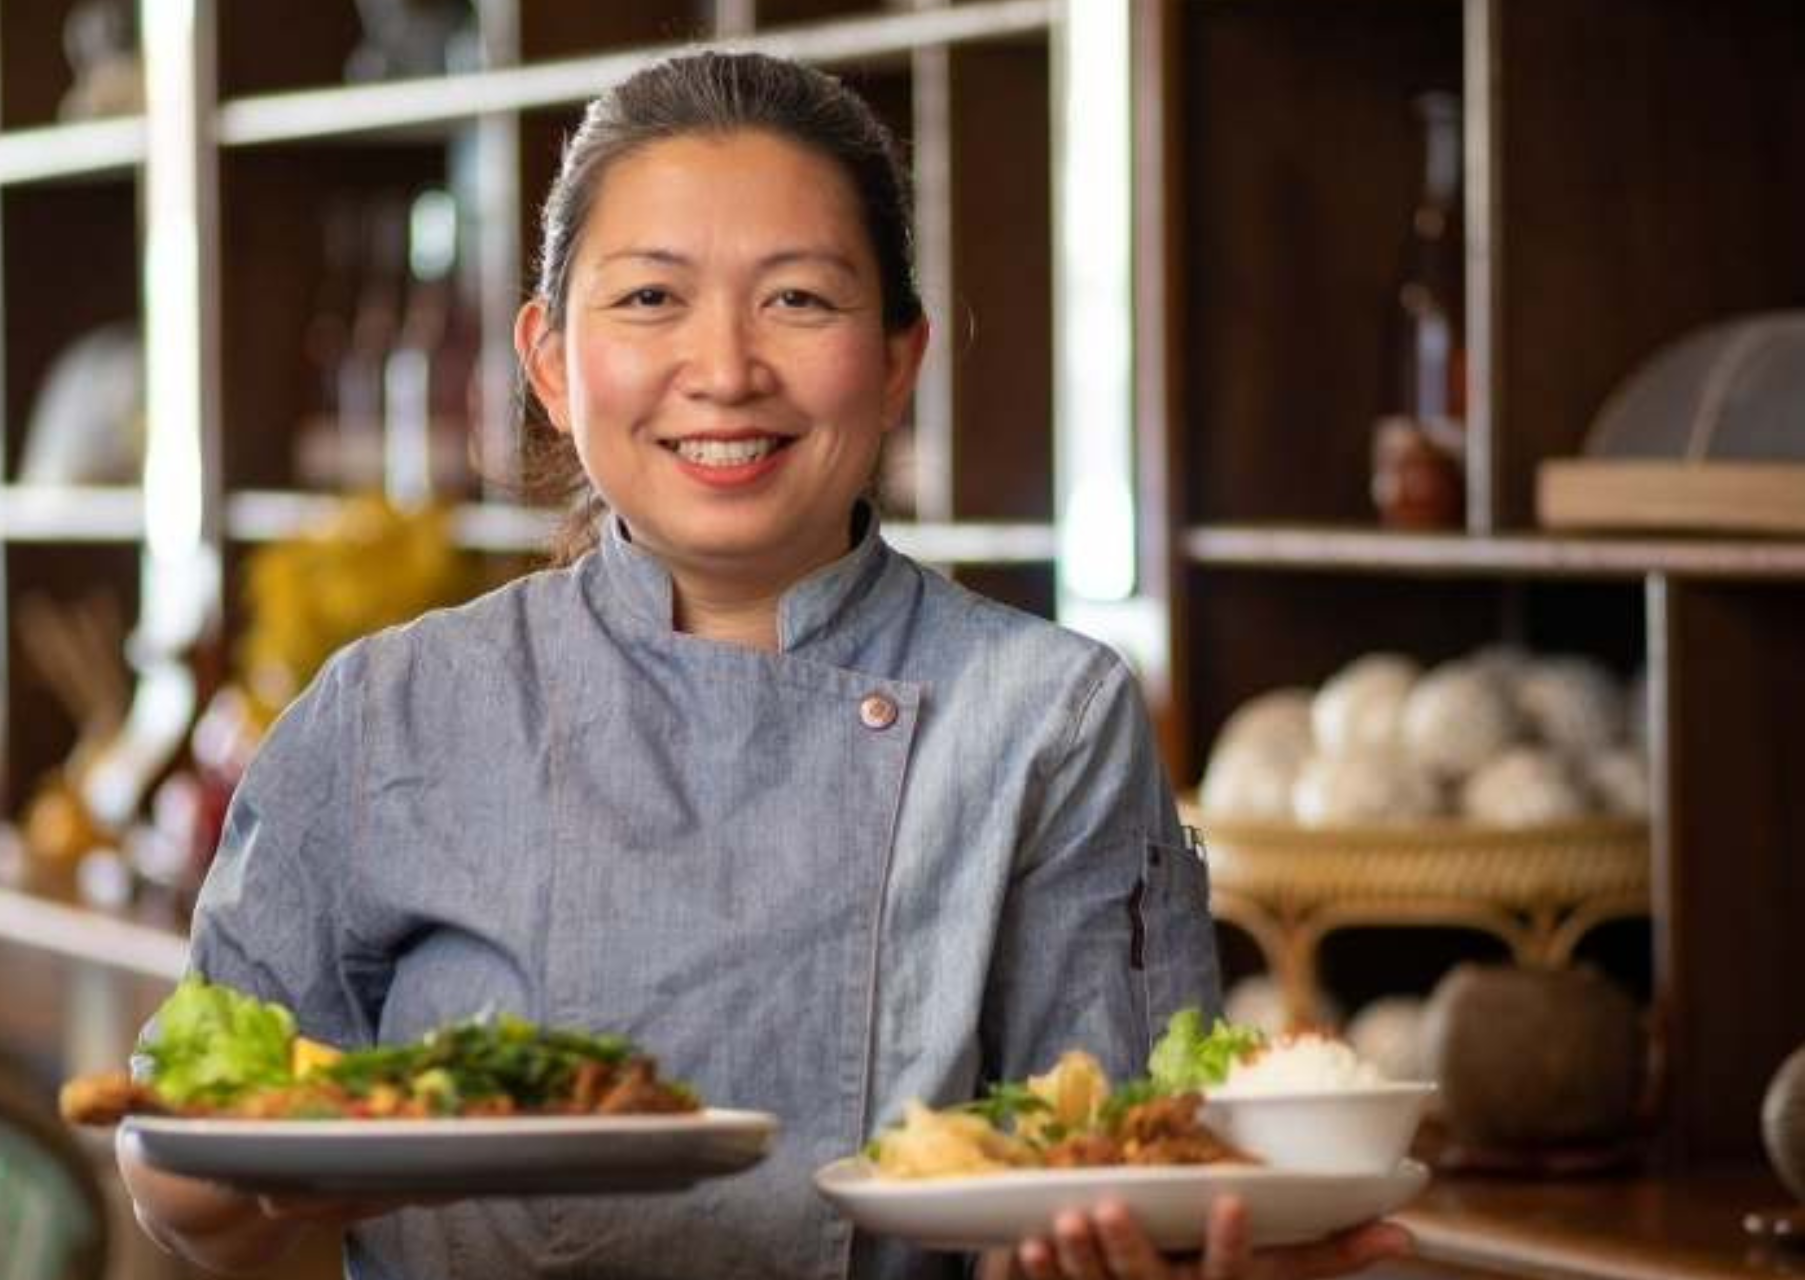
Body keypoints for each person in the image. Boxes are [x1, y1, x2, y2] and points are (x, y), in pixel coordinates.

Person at [117, 49, 1413, 1280]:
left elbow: (1125, 1167)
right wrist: (323, 1169)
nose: (726, 370)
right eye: (649, 299)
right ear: (552, 366)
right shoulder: (391, 712)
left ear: (901, 359)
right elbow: (179, 1181)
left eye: (798, 297)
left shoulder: (1046, 720)